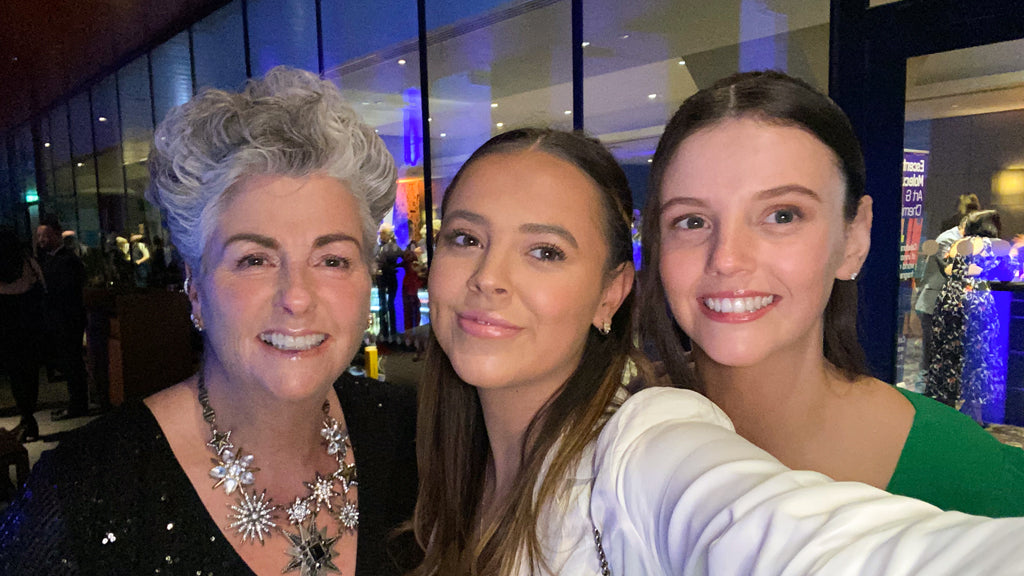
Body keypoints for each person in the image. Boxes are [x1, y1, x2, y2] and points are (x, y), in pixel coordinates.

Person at [410, 126, 1024, 576]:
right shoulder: (445, 453)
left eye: (545, 251)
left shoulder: (642, 449)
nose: (489, 277)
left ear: (612, 293)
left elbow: (802, 542)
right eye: (466, 238)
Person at [0, 66, 418, 575]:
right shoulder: (87, 494)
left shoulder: (413, 437)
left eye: (332, 260)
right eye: (254, 259)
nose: (298, 298)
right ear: (195, 288)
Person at [637, 70, 1024, 518]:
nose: (727, 258)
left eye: (782, 215)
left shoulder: (967, 476)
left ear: (854, 237)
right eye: (691, 221)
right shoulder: (607, 434)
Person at [927, 209, 1019, 422]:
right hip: (976, 301)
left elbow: (950, 270)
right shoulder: (995, 246)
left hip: (949, 301)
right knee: (978, 356)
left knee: (946, 353)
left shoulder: (959, 243)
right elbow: (1008, 273)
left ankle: (943, 409)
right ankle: (973, 414)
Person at [914, 200, 978, 380]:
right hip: (932, 304)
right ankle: (923, 394)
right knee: (930, 357)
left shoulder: (961, 240)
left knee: (942, 356)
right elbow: (949, 269)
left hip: (946, 305)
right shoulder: (948, 239)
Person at [35, 216, 90, 421]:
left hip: (68, 320)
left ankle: (78, 404)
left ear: (57, 235)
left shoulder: (67, 260)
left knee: (72, 362)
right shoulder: (51, 259)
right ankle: (75, 402)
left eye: (45, 235)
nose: (41, 240)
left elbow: (67, 291)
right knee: (68, 363)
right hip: (60, 319)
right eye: (39, 236)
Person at [0, 230, 46, 442]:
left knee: (17, 375)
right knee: (30, 374)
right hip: (31, 329)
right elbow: (43, 289)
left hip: (9, 331)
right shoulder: (29, 263)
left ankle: (27, 419)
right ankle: (28, 418)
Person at [375, 224, 403, 339]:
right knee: (384, 305)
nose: (381, 236)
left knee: (389, 305)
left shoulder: (391, 247)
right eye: (381, 234)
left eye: (383, 234)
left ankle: (390, 331)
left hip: (388, 278)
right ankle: (385, 330)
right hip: (384, 278)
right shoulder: (383, 247)